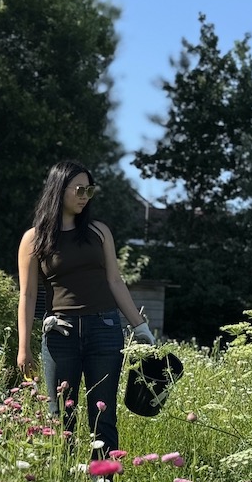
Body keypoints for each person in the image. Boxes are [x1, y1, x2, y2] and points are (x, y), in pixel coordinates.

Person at [16, 159, 155, 456]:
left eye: (89, 190)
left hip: (104, 331)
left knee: (103, 417)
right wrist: (23, 348)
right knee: (60, 417)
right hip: (59, 335)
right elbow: (27, 296)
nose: (84, 196)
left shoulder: (99, 232)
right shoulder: (34, 238)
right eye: (78, 189)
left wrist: (141, 328)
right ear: (58, 189)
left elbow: (115, 282)